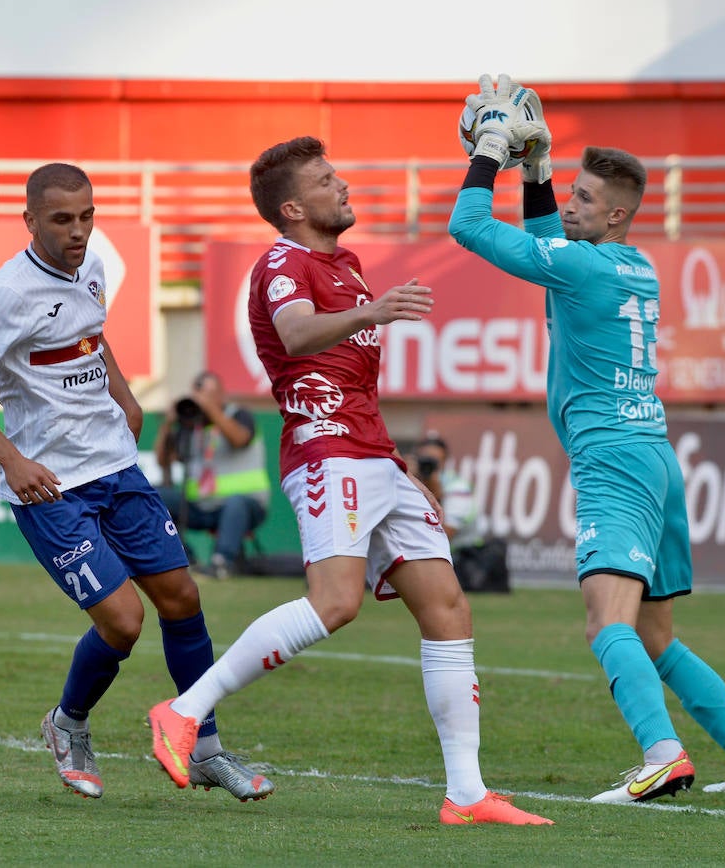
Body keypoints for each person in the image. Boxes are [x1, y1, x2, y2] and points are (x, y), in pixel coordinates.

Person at [146, 137, 552, 827]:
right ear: (294, 206)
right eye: (327, 180)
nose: (343, 186)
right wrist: (373, 312)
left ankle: (466, 793)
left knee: (448, 608)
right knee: (335, 604)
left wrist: (396, 466)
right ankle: (182, 711)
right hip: (326, 453)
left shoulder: (349, 264)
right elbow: (299, 336)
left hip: (370, 454)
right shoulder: (282, 262)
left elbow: (354, 381)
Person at [448, 75, 725, 802]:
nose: (571, 205)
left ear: (618, 215)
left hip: (614, 462)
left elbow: (468, 228)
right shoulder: (629, 264)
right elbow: (551, 251)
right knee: (656, 635)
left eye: (585, 201)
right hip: (655, 456)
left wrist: (489, 152)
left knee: (606, 622)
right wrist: (535, 173)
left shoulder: (582, 266)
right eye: (569, 192)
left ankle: (662, 753)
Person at [0, 162, 271, 803]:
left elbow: (92, 334)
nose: (78, 230)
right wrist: (12, 460)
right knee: (123, 622)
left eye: (87, 216)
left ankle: (203, 748)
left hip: (116, 467)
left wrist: (125, 397)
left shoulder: (91, 266)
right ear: (31, 219)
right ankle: (67, 725)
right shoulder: (3, 294)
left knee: (181, 598)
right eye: (62, 219)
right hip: (52, 487)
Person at [154, 369, 269, 579]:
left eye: (208, 395)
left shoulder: (240, 415)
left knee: (236, 503)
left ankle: (221, 563)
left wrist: (210, 408)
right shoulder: (192, 426)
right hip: (201, 506)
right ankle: (183, 558)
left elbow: (239, 439)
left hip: (244, 505)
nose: (201, 401)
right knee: (154, 496)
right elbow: (163, 461)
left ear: (221, 394)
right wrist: (169, 423)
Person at [409, 433, 508, 594]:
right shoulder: (406, 483)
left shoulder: (457, 489)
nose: (428, 466)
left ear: (446, 461)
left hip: (459, 558)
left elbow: (442, 536)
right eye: (424, 460)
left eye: (434, 461)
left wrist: (435, 492)